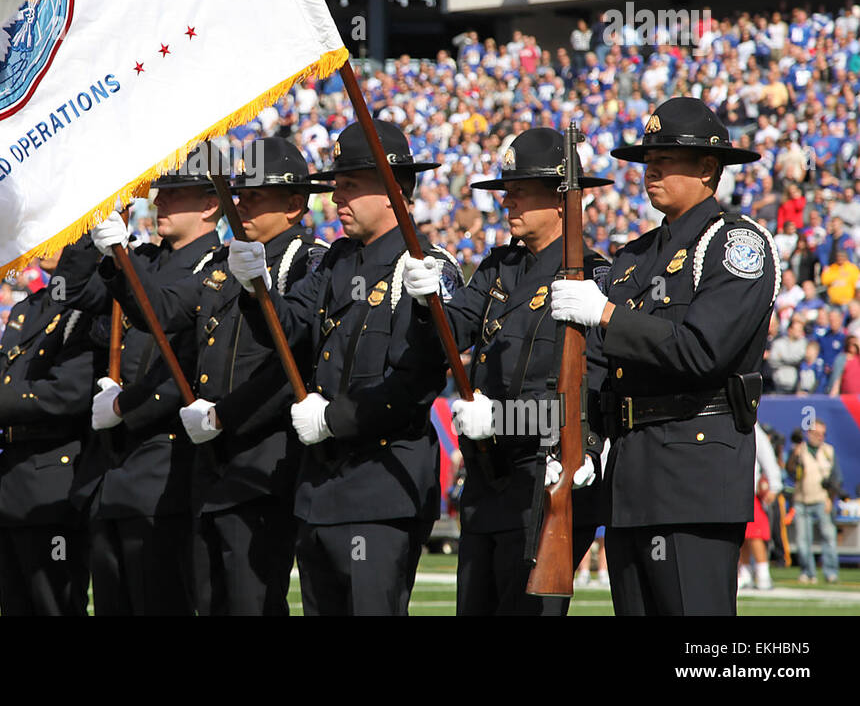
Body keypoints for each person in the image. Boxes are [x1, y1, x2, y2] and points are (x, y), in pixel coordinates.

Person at [550, 97, 778, 616]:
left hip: (693, 475)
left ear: (707, 168)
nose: (651, 166)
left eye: (668, 156)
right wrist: (578, 442)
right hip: (631, 475)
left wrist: (607, 315)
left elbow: (703, 351)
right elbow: (605, 368)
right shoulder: (635, 255)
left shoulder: (735, 244)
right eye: (649, 155)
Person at [229, 120, 460, 615]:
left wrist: (332, 419)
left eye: (351, 184)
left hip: (381, 484)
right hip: (321, 487)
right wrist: (258, 290)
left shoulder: (424, 267)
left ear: (395, 190)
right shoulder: (337, 261)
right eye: (337, 185)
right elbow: (289, 329)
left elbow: (417, 380)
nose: (337, 197)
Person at [92, 138, 331, 615]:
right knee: (207, 601)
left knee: (251, 602)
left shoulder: (309, 259)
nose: (241, 206)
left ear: (293, 206)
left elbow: (294, 359)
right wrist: (119, 257)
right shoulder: (221, 260)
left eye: (255, 198)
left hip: (264, 462)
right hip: (209, 465)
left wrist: (225, 415)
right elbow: (159, 314)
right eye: (238, 196)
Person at [427, 128, 614, 615]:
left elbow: (584, 405)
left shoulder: (591, 279)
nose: (508, 202)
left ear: (560, 201)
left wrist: (502, 420)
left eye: (521, 191)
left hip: (544, 478)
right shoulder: (498, 268)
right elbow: (454, 329)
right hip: (489, 478)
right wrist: (426, 299)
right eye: (506, 191)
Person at [65, 160, 224, 615]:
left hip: (163, 467)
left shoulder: (217, 268)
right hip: (112, 473)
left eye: (174, 195)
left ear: (210, 205)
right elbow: (76, 289)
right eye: (158, 194)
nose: (159, 203)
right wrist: (95, 216)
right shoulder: (146, 258)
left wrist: (125, 406)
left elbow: (179, 343)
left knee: (159, 600)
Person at [0, 241, 100, 615]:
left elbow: (67, 394)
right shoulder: (28, 309)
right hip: (12, 486)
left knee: (54, 602)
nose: (45, 243)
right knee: (16, 605)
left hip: (56, 487)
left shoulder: (86, 311)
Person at [786, 419, 841, 583]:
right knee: (803, 540)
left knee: (829, 536)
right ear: (809, 433)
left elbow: (835, 478)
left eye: (822, 434)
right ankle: (808, 572)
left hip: (822, 499)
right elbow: (790, 473)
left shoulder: (828, 451)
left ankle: (831, 572)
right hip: (802, 499)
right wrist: (794, 455)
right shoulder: (799, 450)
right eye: (817, 433)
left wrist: (831, 499)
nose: (820, 437)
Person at [738, 421, 782, 591]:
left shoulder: (752, 427)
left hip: (750, 488)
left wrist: (774, 485)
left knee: (755, 534)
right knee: (740, 535)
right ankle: (745, 572)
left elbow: (767, 456)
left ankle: (763, 573)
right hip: (733, 489)